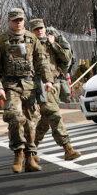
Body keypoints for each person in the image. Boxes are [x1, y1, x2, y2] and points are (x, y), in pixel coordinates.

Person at [0, 9, 55, 174]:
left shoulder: (32, 39)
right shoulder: (0, 41)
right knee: (16, 118)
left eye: (20, 20)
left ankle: (30, 156)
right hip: (10, 86)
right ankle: (18, 153)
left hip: (29, 85)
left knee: (31, 121)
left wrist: (48, 80)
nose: (18, 23)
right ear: (9, 21)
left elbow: (42, 61)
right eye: (15, 20)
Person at [29, 18, 82, 161]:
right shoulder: (30, 45)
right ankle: (67, 148)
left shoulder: (52, 41)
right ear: (32, 31)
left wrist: (54, 44)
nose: (40, 30)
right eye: (36, 29)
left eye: (41, 28)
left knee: (46, 119)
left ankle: (31, 148)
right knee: (54, 114)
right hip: (41, 85)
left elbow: (66, 58)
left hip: (55, 84)